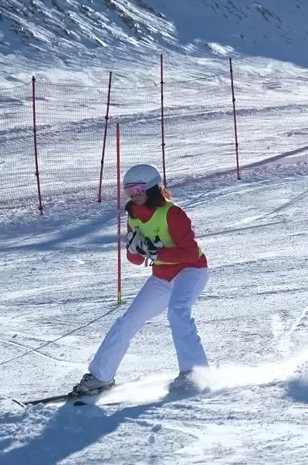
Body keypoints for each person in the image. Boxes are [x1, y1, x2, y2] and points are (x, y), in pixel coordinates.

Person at [71, 163, 211, 396]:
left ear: (152, 188)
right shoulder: (134, 216)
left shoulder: (173, 213)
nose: (133, 196)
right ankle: (100, 377)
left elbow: (189, 251)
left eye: (137, 190)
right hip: (162, 276)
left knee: (178, 311)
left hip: (191, 271)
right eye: (128, 191)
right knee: (128, 321)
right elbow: (135, 260)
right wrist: (136, 249)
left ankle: (195, 373)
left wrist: (156, 252)